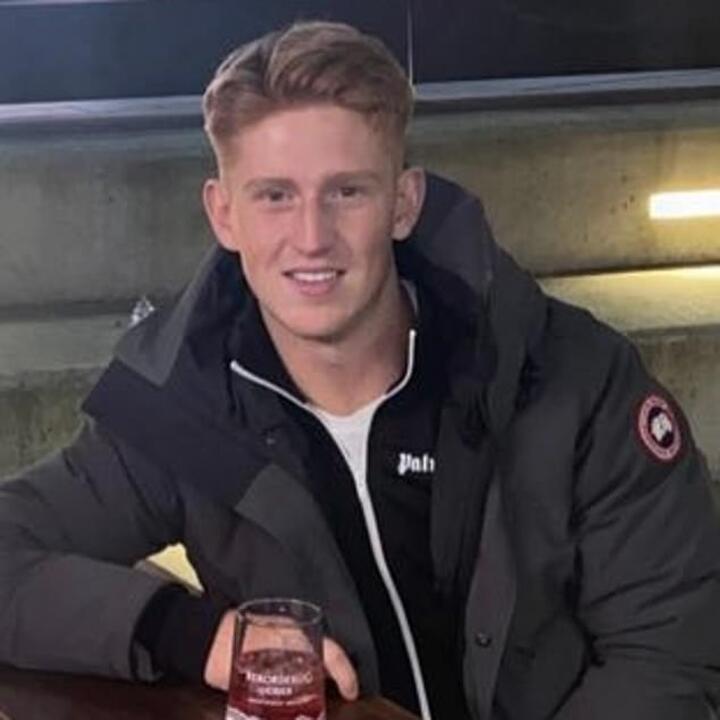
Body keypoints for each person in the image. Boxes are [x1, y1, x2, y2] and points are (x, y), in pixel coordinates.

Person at [1, 20, 719, 720]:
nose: (312, 238)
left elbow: (673, 654)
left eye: (347, 192)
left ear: (403, 204)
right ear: (223, 215)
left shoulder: (572, 376)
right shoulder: (184, 405)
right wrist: (192, 634)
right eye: (274, 195)